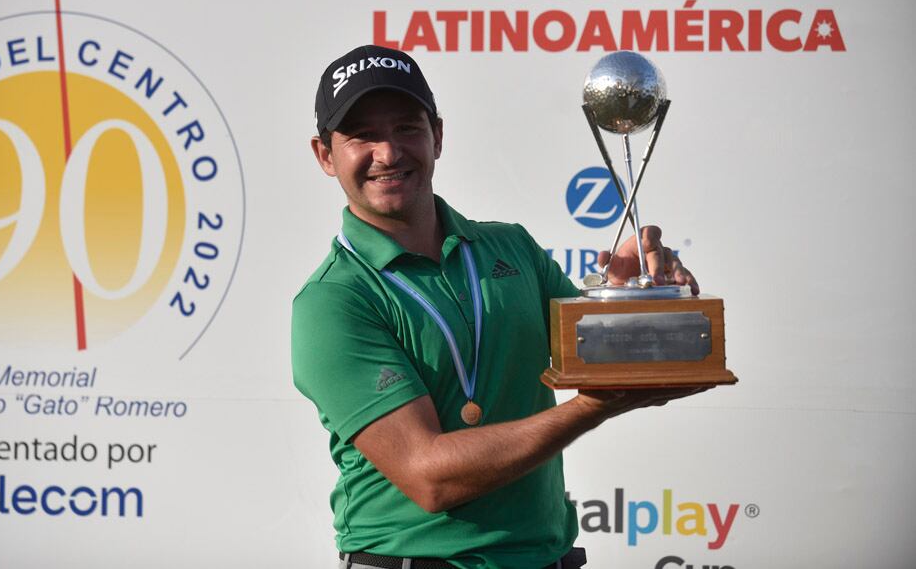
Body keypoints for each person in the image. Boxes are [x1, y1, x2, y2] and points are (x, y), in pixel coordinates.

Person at [292, 45, 703, 569]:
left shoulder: (512, 249)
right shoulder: (334, 300)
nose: (389, 152)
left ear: (437, 136)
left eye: (406, 128)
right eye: (362, 136)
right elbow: (429, 476)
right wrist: (593, 406)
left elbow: (622, 366)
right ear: (326, 155)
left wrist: (638, 299)